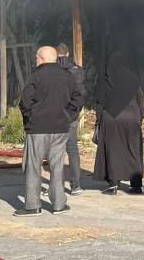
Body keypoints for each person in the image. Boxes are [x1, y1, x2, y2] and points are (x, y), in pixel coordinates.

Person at [15, 46, 83, 217]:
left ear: (42, 58)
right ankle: (59, 204)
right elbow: (79, 98)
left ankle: (32, 206)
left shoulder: (36, 76)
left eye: (37, 58)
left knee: (33, 166)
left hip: (37, 128)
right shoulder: (68, 76)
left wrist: (30, 118)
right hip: (60, 127)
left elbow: (25, 101)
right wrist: (68, 115)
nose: (35, 60)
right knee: (57, 166)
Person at [93, 48, 144, 195]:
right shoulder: (133, 77)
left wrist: (99, 121)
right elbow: (140, 99)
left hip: (111, 118)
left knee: (113, 151)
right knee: (133, 150)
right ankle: (136, 185)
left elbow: (100, 102)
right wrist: (140, 118)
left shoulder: (105, 79)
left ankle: (113, 185)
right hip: (132, 118)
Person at [56, 43, 86, 196]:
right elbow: (80, 96)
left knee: (56, 152)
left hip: (54, 117)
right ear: (68, 54)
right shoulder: (78, 71)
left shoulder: (51, 70)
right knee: (72, 150)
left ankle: (56, 186)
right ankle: (75, 185)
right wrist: (73, 113)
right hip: (71, 117)